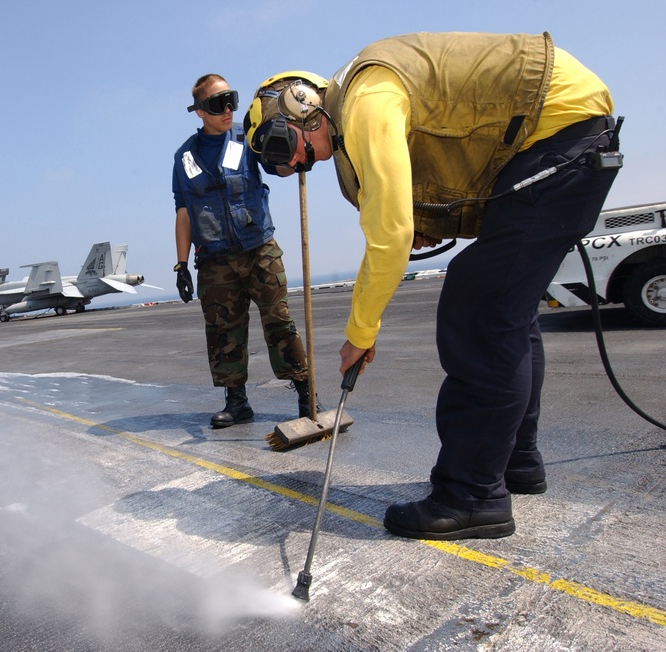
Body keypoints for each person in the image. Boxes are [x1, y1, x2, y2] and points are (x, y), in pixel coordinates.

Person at [244, 32, 620, 539]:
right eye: (278, 167)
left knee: (480, 308)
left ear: (302, 105)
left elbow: (390, 233)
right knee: (507, 305)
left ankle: (471, 497)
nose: (294, 165)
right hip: (560, 137)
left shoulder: (364, 101)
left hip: (559, 133)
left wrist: (361, 332)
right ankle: (513, 463)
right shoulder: (362, 98)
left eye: (280, 148)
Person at [173, 73, 318, 428]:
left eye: (230, 100)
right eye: (216, 104)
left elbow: (279, 167)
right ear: (199, 112)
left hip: (259, 250)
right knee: (224, 332)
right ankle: (237, 403)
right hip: (215, 260)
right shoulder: (185, 158)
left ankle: (306, 394)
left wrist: (298, 156)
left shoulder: (248, 137)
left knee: (280, 322)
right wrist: (181, 265)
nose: (226, 110)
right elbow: (183, 212)